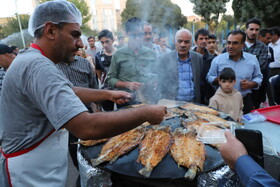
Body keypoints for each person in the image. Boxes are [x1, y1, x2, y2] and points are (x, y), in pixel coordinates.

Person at [0, 1, 166, 186]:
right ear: (51, 31)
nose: (80, 43)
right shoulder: (37, 66)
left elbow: (68, 91)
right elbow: (86, 127)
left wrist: (107, 95)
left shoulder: (33, 60)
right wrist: (146, 113)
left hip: (39, 166)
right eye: (75, 35)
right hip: (29, 173)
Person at [207, 30, 263, 114]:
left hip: (245, 100)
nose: (230, 46)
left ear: (243, 45)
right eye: (228, 43)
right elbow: (209, 77)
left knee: (244, 125)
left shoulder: (252, 60)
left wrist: (251, 84)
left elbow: (259, 77)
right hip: (222, 101)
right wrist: (219, 79)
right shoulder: (217, 60)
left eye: (235, 43)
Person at [107, 17, 157, 107]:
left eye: (140, 35)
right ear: (126, 34)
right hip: (125, 102)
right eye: (133, 36)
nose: (137, 39)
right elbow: (110, 79)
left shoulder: (151, 53)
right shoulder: (118, 54)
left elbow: (157, 74)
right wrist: (127, 84)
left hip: (147, 100)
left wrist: (154, 81)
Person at [156, 29, 203, 103]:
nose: (183, 45)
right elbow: (160, 84)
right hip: (172, 104)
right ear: (175, 42)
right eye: (179, 41)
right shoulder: (164, 59)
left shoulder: (198, 59)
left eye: (186, 42)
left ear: (191, 43)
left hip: (193, 104)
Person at [244, 18, 269, 109]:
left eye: (257, 30)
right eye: (251, 29)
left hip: (254, 88)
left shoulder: (263, 47)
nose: (254, 32)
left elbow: (260, 67)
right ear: (246, 30)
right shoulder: (238, 45)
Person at [95, 29, 117, 111]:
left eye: (107, 41)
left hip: (121, 87)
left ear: (113, 40)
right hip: (106, 89)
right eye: (102, 42)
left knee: (124, 112)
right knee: (108, 113)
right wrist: (103, 81)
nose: (105, 45)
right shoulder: (99, 56)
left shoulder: (120, 53)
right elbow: (98, 70)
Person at [193, 28, 215, 105]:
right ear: (196, 41)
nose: (204, 41)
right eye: (201, 38)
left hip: (206, 96)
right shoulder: (189, 57)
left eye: (206, 38)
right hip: (192, 94)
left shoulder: (212, 59)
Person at [258, 28, 275, 106]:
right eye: (267, 38)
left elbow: (271, 61)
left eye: (270, 38)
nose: (269, 41)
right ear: (260, 37)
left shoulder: (270, 49)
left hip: (265, 79)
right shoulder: (254, 49)